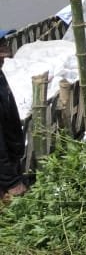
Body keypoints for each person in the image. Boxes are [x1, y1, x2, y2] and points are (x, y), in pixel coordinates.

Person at [1, 39, 28, 202]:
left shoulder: (0, 74)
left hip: (11, 160)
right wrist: (11, 182)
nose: (6, 47)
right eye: (1, 44)